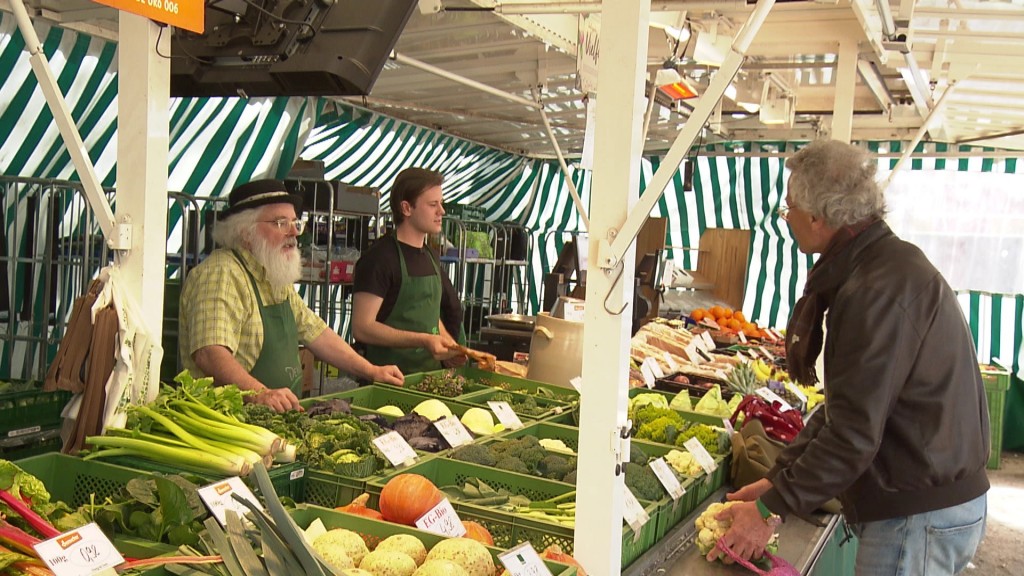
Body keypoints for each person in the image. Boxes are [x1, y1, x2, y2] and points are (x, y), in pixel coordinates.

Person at [713, 140, 989, 575]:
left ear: (818, 217)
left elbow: (854, 434)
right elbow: (848, 406)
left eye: (790, 208)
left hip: (917, 512)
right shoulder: (882, 267)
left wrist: (772, 509)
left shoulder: (874, 291)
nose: (787, 219)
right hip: (927, 501)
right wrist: (778, 479)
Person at [179, 179, 404, 412]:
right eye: (281, 223)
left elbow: (317, 333)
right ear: (245, 232)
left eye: (296, 222)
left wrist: (372, 371)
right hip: (230, 421)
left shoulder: (272, 275)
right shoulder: (221, 274)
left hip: (274, 418)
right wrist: (260, 393)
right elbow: (210, 353)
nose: (295, 232)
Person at [352, 167, 464, 374]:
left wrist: (450, 346)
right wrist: (423, 340)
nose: (442, 211)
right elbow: (362, 327)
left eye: (441, 203)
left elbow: (427, 315)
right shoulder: (379, 259)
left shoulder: (430, 256)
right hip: (388, 380)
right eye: (433, 204)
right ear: (406, 208)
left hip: (429, 377)